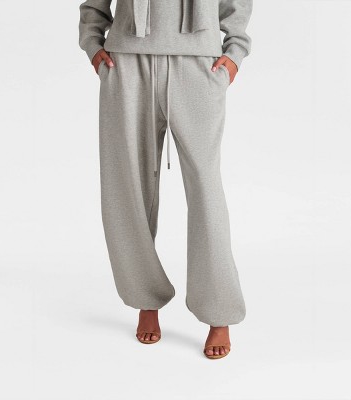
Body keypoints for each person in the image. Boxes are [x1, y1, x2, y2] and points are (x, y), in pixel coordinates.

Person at [78, 0, 252, 360]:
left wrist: (235, 51)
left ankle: (218, 310)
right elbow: (94, 5)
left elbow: (237, 4)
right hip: (127, 62)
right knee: (126, 190)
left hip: (199, 64)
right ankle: (146, 298)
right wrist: (93, 46)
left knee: (206, 192)